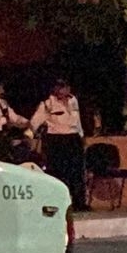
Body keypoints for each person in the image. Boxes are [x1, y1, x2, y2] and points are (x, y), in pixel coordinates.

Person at [32, 79, 87, 210]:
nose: (64, 90)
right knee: (57, 172)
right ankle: (57, 202)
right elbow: (35, 122)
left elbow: (77, 121)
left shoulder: (74, 101)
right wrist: (30, 136)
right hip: (56, 140)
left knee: (76, 172)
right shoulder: (47, 104)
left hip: (72, 139)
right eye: (60, 87)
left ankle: (79, 203)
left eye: (66, 87)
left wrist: (81, 136)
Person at [0, 77, 32, 159]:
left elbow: (14, 118)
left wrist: (28, 123)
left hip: (2, 139)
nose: (2, 92)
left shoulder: (2, 103)